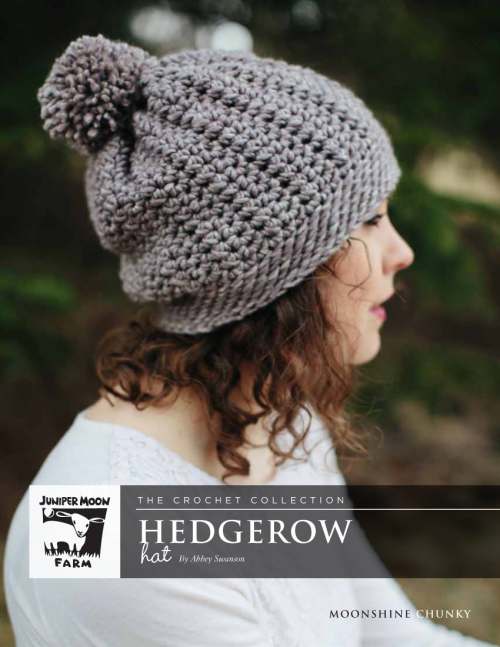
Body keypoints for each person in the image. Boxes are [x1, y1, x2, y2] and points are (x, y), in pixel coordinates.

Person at [3, 34, 496, 646]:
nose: (403, 251)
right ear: (267, 273)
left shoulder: (279, 418)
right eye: (369, 218)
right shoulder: (96, 530)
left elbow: (383, 629)